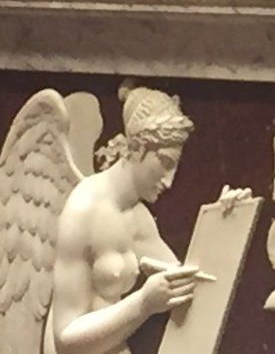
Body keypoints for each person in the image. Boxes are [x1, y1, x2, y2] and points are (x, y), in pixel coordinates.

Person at [48, 87, 199, 354]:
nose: (169, 180)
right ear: (137, 148)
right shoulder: (84, 210)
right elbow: (65, 338)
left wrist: (226, 215)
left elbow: (187, 282)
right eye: (164, 162)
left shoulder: (137, 217)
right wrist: (143, 304)